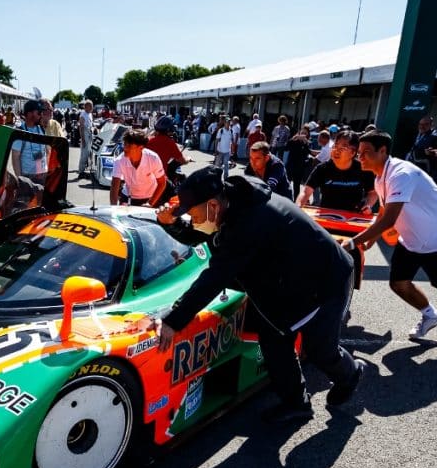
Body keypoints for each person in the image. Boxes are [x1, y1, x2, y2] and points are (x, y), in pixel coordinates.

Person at [151, 166, 365, 423]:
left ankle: (350, 373)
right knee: (274, 341)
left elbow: (215, 277)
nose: (192, 219)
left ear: (212, 205)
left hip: (324, 279)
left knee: (320, 350)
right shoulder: (232, 202)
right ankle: (297, 403)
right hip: (286, 280)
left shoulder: (249, 221)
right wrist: (171, 224)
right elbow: (203, 233)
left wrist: (174, 320)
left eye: (192, 213)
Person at [348, 131, 437, 346]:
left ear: (383, 151)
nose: (360, 157)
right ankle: (431, 315)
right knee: (398, 283)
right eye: (359, 153)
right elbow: (384, 212)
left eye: (366, 153)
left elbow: (389, 220)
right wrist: (372, 239)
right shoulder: (379, 178)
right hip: (412, 240)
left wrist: (351, 242)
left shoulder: (401, 174)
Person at [297, 130, 377, 212]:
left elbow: (372, 193)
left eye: (343, 147)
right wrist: (299, 206)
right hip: (326, 216)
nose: (337, 150)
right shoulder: (322, 168)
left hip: (353, 217)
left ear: (353, 153)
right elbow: (306, 191)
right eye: (335, 145)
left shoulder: (364, 169)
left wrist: (368, 205)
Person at [109, 128, 166, 206]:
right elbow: (114, 186)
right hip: (128, 196)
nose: (125, 148)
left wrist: (150, 203)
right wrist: (114, 208)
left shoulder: (153, 158)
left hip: (151, 197)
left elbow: (162, 183)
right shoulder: (119, 160)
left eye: (129, 146)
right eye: (124, 144)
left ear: (141, 147)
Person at [12, 99, 47, 183]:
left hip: (42, 174)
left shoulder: (41, 128)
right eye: (38, 112)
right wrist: (20, 180)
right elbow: (15, 157)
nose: (41, 115)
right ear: (29, 114)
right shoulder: (20, 132)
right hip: (28, 177)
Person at [212, 116, 235, 181]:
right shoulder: (221, 130)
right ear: (224, 123)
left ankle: (226, 178)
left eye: (229, 122)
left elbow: (232, 141)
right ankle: (215, 177)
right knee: (217, 165)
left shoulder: (231, 130)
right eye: (226, 122)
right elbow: (216, 140)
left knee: (226, 164)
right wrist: (215, 150)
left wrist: (233, 150)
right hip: (220, 151)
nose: (228, 123)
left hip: (227, 151)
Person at [77, 100, 94, 178]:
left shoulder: (89, 114)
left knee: (88, 153)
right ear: (86, 107)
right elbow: (81, 128)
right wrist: (83, 139)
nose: (92, 107)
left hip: (89, 134)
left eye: (92, 106)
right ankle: (81, 171)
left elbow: (91, 124)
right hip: (85, 134)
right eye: (90, 106)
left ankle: (83, 169)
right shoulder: (83, 115)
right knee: (84, 154)